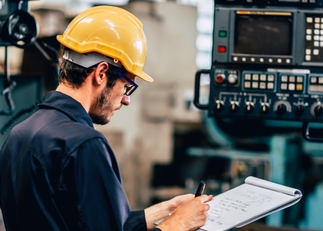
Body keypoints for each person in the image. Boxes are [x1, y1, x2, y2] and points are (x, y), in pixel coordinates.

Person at [0, 5, 212, 231]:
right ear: (101, 73)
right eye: (127, 87)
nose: (126, 99)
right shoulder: (84, 145)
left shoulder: (18, 135)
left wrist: (165, 211)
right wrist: (178, 224)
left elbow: (85, 221)